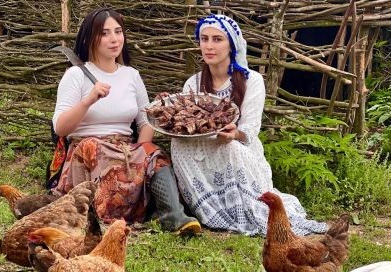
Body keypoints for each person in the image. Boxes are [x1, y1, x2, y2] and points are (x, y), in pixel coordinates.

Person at [170, 14, 328, 236]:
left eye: (217, 39)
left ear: (231, 45)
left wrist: (235, 134)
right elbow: (186, 123)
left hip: (239, 150)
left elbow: (250, 131)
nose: (209, 46)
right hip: (201, 149)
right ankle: (206, 204)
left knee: (229, 147)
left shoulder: (251, 81)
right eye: (204, 39)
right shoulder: (193, 83)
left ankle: (239, 205)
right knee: (177, 144)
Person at [51, 7, 200, 234]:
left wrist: (143, 147)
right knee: (92, 147)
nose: (114, 39)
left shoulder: (131, 75)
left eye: (118, 31)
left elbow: (145, 121)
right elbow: (60, 127)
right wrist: (88, 101)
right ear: (90, 38)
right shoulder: (76, 75)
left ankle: (173, 216)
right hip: (88, 150)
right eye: (105, 33)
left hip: (125, 149)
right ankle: (99, 214)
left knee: (156, 156)